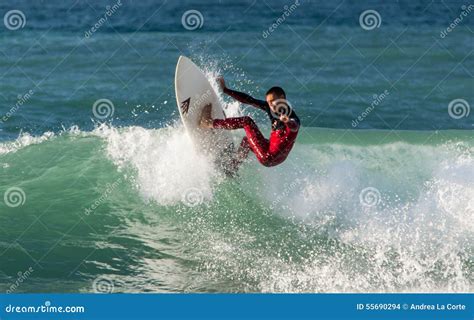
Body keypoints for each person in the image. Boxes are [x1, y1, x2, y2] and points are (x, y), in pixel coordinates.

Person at [200, 77, 300, 172]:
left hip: (269, 157)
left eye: (273, 101)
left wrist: (287, 121)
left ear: (282, 98)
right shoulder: (271, 108)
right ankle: (233, 166)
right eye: (269, 102)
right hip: (272, 153)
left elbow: (294, 126)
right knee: (247, 141)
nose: (271, 105)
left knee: (246, 121)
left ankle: (209, 123)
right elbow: (249, 100)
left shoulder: (292, 118)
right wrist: (226, 90)